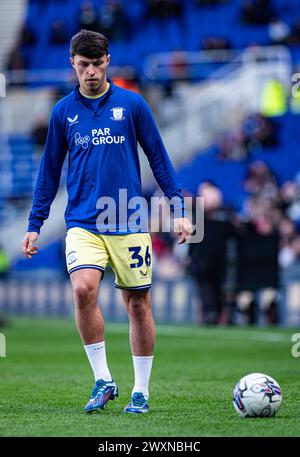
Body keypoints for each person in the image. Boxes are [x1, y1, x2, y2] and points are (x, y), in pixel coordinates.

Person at [22, 30, 192, 415]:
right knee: (83, 289)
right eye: (84, 65)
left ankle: (141, 390)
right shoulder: (63, 112)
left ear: (107, 61)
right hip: (82, 221)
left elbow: (160, 160)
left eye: (97, 64)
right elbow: (48, 173)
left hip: (128, 219)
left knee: (137, 305)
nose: (91, 72)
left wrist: (179, 210)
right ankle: (103, 378)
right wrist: (35, 223)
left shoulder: (132, 106)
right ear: (72, 64)